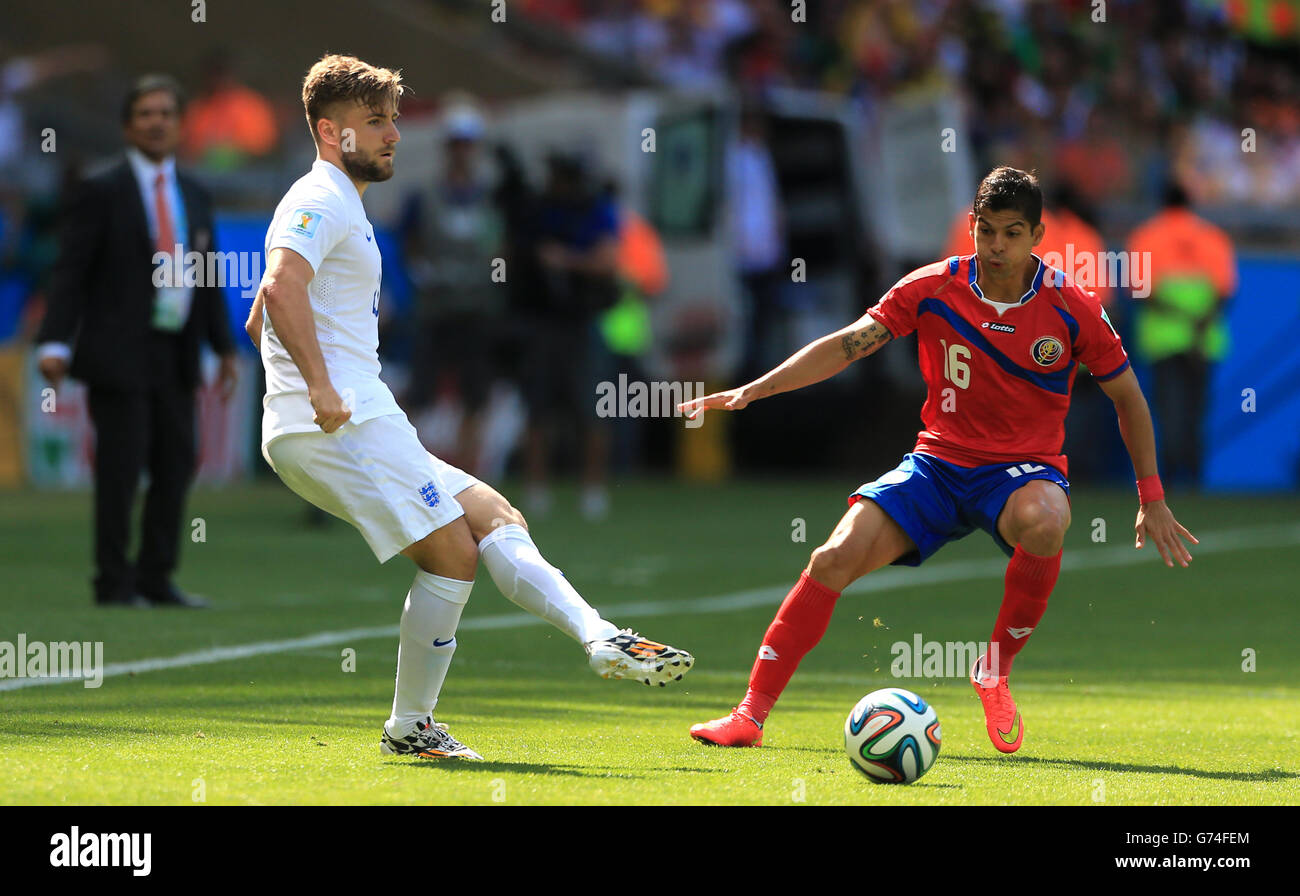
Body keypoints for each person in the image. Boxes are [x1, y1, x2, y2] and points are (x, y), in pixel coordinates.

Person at [243, 55, 692, 761]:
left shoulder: (339, 200)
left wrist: (296, 358)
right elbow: (278, 286)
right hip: (337, 417)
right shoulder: (321, 197)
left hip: (354, 413)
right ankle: (410, 728)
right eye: (375, 121)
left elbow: (265, 307)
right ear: (331, 132)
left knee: (492, 516)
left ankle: (598, 632)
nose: (392, 134)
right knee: (452, 554)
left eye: (392, 119)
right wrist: (321, 385)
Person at [681, 167, 1197, 754]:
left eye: (1011, 233)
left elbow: (1129, 398)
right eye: (986, 230)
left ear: (1037, 235)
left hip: (1020, 470)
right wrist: (754, 389)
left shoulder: (1071, 306)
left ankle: (994, 671)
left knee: (1048, 519)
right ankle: (749, 715)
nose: (996, 246)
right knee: (831, 557)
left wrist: (1151, 497)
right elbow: (847, 345)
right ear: (971, 227)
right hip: (936, 464)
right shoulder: (931, 287)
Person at [36, 74, 238, 609]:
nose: (156, 122)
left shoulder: (195, 193)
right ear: (129, 125)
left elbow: (209, 275)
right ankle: (112, 582)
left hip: (176, 350)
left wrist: (223, 347)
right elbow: (71, 272)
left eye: (166, 113)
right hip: (116, 349)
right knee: (120, 469)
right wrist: (54, 341)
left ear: (179, 123)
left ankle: (156, 578)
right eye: (145, 113)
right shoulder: (101, 189)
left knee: (176, 464)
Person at [1125, 181, 1236, 489]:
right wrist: (1197, 323)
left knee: (1169, 411)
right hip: (1204, 340)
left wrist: (1178, 317)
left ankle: (1173, 479)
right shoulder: (1213, 237)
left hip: (1164, 340)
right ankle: (1196, 477)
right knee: (1196, 412)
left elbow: (1140, 290)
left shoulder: (1145, 236)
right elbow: (1224, 292)